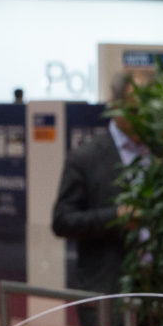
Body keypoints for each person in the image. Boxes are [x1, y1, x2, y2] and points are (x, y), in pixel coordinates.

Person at [52, 75, 144, 310]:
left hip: (162, 292)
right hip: (109, 291)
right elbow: (62, 221)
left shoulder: (162, 152)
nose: (145, 116)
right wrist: (116, 217)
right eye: (136, 109)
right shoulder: (86, 157)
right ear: (116, 105)